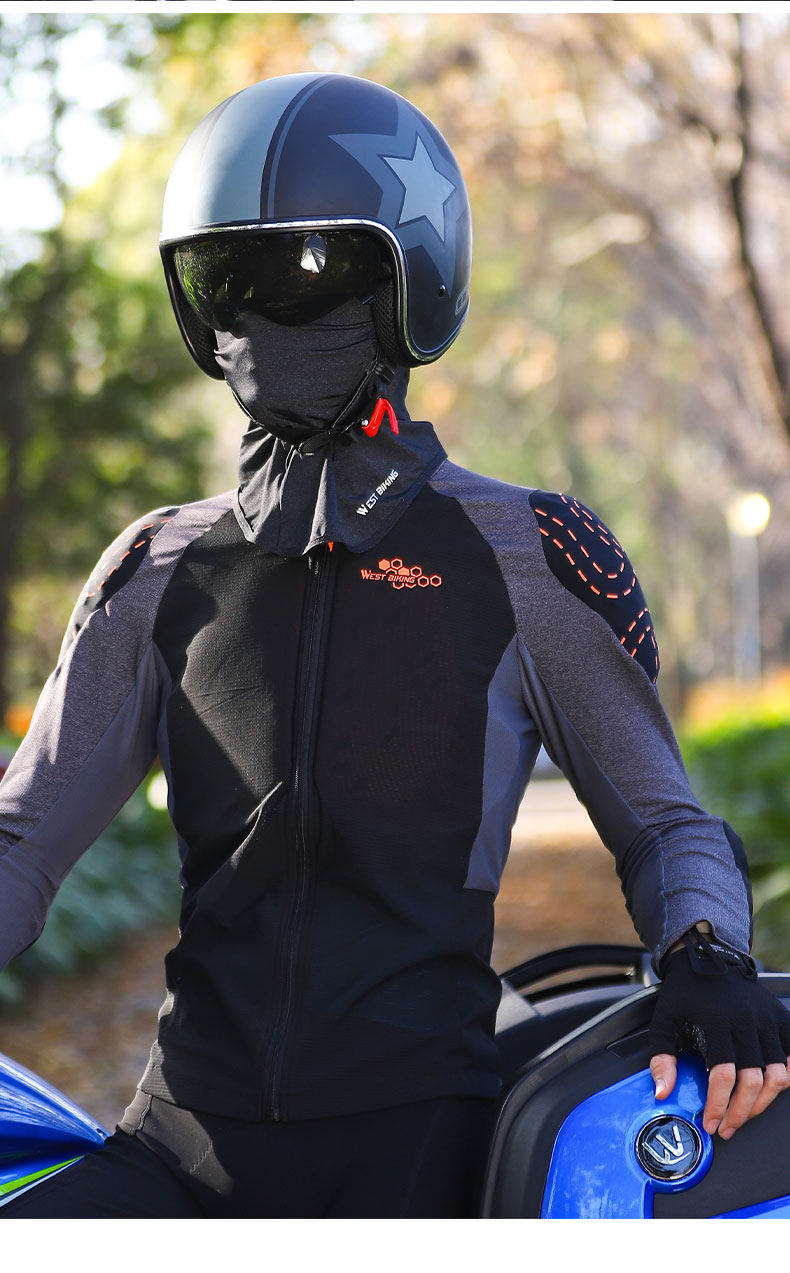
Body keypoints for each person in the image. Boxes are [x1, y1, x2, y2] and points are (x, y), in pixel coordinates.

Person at [0, 71, 788, 1219]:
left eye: (305, 278)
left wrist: (705, 951)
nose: (259, 319)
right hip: (181, 1146)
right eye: (227, 281)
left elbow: (666, 824)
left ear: (408, 287)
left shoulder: (528, 554)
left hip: (423, 1163)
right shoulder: (154, 567)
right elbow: (21, 840)